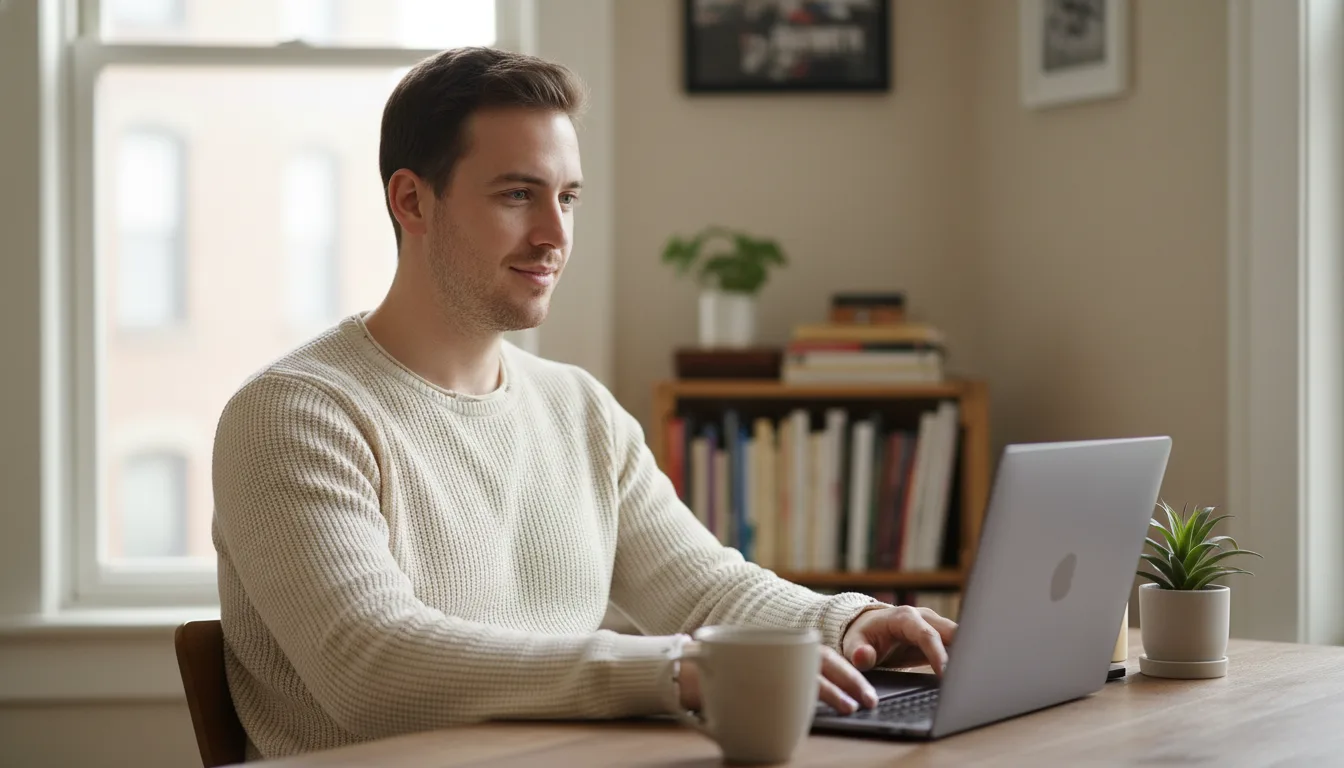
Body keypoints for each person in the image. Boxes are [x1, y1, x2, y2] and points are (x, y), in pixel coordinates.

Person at [211, 46, 957, 760]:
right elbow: (373, 665)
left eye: (566, 197)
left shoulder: (577, 408)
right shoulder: (294, 415)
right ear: (412, 201)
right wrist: (672, 669)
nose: (554, 235)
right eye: (517, 195)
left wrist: (850, 621)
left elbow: (702, 590)